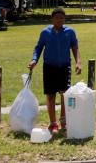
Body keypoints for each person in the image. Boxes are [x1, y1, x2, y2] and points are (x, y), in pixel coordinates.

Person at [28, 7, 81, 135]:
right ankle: (53, 123)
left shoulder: (70, 32)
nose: (59, 20)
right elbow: (38, 48)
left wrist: (78, 62)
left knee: (65, 95)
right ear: (52, 19)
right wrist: (34, 60)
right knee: (51, 95)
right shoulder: (45, 32)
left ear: (64, 19)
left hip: (64, 67)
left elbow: (75, 47)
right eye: (57, 18)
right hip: (49, 67)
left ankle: (63, 120)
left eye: (62, 18)